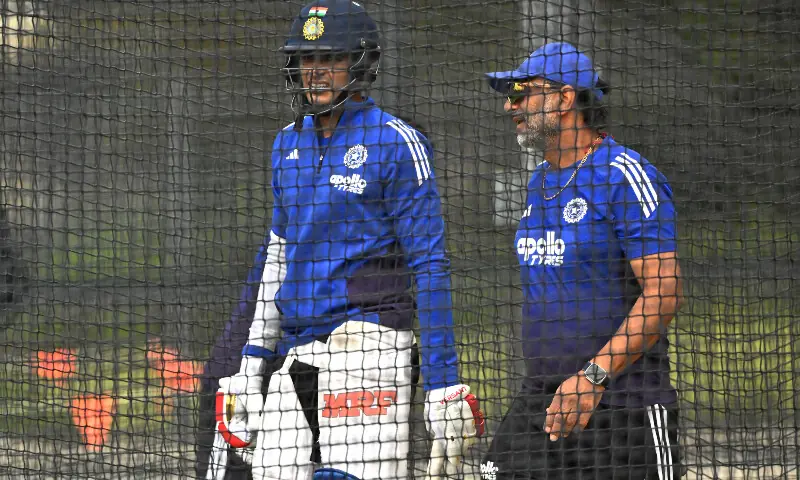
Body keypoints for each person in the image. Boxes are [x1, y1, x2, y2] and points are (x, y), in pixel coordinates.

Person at [202, 1, 484, 479]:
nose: (315, 72)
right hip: (297, 351)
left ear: (361, 63)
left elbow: (430, 265)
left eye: (329, 59)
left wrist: (442, 382)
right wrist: (251, 365)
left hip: (370, 347)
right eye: (306, 60)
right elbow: (278, 259)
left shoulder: (397, 141)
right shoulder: (284, 144)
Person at [480, 42, 684, 479]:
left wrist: (592, 377)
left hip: (622, 406)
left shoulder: (626, 175)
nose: (509, 105)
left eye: (521, 93)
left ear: (565, 98)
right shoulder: (539, 181)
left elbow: (663, 293)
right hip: (544, 399)